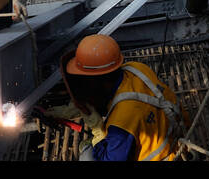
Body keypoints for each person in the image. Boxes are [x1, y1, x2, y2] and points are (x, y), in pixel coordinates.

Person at [54, 34, 185, 161]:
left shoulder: (120, 125)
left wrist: (98, 141)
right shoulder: (136, 67)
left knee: (86, 157)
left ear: (99, 80)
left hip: (166, 155)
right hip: (177, 132)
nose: (83, 84)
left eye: (86, 80)